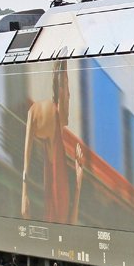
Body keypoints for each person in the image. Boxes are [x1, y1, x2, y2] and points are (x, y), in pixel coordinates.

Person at [20, 60, 85, 223]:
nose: (69, 96)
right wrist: (24, 192)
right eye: (67, 88)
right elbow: (32, 115)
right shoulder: (53, 117)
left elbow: (71, 225)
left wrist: (78, 181)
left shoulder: (60, 146)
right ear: (60, 90)